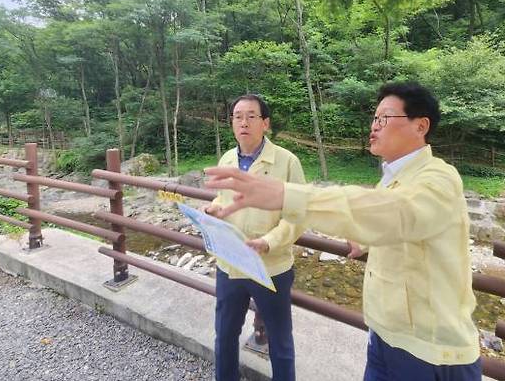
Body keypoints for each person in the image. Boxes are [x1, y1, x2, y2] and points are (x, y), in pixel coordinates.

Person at [204, 82, 481, 381]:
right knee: (224, 334)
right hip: (383, 337)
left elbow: (398, 212)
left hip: (431, 352)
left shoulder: (440, 178)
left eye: (384, 118)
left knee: (280, 343)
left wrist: (288, 197)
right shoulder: (390, 180)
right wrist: (363, 238)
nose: (374, 126)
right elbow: (387, 219)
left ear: (421, 126)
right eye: (374, 118)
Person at [204, 94, 305, 381]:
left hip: (271, 268)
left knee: (280, 342)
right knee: (224, 335)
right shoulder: (227, 158)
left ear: (266, 123)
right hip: (231, 264)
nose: (243, 122)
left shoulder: (286, 162)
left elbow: (298, 216)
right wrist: (213, 210)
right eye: (237, 116)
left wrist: (269, 241)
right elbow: (224, 201)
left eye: (251, 116)